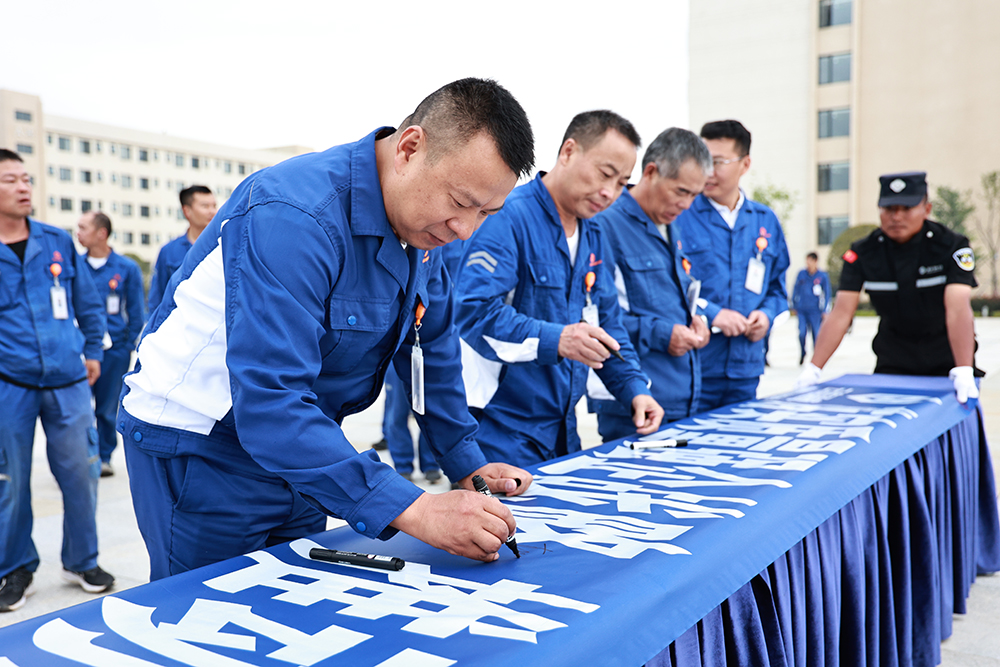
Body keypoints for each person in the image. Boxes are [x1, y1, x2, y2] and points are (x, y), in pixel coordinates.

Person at [118, 78, 536, 579]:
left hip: (305, 446)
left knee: (293, 611)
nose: (465, 230)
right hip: (204, 448)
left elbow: (432, 349)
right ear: (409, 147)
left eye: (486, 214)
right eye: (460, 201)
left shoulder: (422, 230)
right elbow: (270, 400)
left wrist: (467, 463)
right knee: (212, 627)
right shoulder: (294, 215)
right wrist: (418, 510)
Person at [454, 110, 664, 466]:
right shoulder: (508, 217)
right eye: (605, 174)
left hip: (564, 431)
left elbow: (608, 325)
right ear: (568, 152)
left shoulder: (594, 233)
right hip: (499, 434)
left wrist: (634, 390)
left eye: (621, 182)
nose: (609, 192)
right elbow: (473, 313)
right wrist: (558, 339)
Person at [0, 149, 115, 611]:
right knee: (8, 479)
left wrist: (92, 351)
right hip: (9, 382)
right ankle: (14, 567)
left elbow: (86, 301)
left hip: (68, 380)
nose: (24, 187)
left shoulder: (56, 241)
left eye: (26, 178)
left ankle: (81, 560)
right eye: (11, 180)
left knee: (82, 473)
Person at [797, 171, 982, 403]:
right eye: (889, 209)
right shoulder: (863, 252)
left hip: (948, 361)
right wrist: (814, 368)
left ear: (926, 209)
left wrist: (964, 368)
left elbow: (957, 309)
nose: (897, 217)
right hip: (893, 360)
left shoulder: (951, 247)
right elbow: (842, 313)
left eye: (906, 209)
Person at [589, 127, 712, 442]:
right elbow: (598, 319)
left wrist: (696, 321)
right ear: (651, 171)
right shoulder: (605, 225)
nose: (687, 204)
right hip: (635, 406)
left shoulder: (672, 225)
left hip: (685, 395)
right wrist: (662, 333)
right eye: (681, 191)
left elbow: (678, 296)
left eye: (695, 195)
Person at [675, 120, 790, 412]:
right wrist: (713, 314)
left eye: (718, 162)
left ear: (745, 164)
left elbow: (777, 290)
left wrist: (766, 316)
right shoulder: (679, 216)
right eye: (702, 161)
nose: (707, 171)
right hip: (694, 366)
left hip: (746, 367)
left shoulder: (765, 221)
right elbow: (668, 287)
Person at [76, 211, 146, 477]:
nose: (78, 233)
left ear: (101, 233)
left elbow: (137, 311)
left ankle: (104, 457)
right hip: (82, 347)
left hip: (114, 349)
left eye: (83, 228)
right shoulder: (75, 266)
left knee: (106, 407)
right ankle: (83, 454)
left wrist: (127, 345)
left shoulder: (126, 267)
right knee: (79, 406)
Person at [147, 185, 217, 313]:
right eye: (205, 206)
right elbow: (157, 299)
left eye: (214, 206)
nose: (212, 211)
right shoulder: (169, 252)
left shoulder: (222, 248)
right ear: (187, 211)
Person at [380, 365, 442, 483]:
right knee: (396, 416)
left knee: (430, 414)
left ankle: (431, 464)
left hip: (427, 357)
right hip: (396, 358)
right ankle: (402, 465)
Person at [791, 252, 831, 365]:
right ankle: (803, 353)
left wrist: (825, 311)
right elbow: (795, 289)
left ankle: (816, 358)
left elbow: (827, 293)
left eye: (810, 261)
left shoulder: (822, 276)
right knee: (802, 333)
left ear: (815, 261)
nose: (808, 264)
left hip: (815, 311)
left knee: (816, 335)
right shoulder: (801, 274)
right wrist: (793, 304)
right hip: (802, 309)